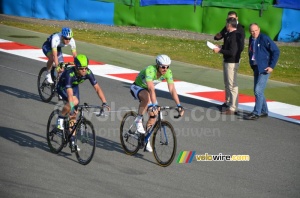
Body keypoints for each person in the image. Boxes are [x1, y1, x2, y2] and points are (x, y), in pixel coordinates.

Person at [130, 54, 184, 152]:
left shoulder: (168, 72)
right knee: (147, 98)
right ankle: (138, 119)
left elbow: (172, 89)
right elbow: (151, 88)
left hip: (149, 91)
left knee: (154, 115)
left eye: (168, 66)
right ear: (158, 65)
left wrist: (179, 105)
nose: (165, 69)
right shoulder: (150, 70)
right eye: (163, 66)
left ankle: (146, 139)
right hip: (137, 87)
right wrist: (154, 104)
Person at [56, 54, 110, 151]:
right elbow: (69, 93)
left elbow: (97, 88)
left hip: (74, 86)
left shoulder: (88, 72)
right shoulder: (70, 74)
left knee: (73, 116)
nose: (84, 70)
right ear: (76, 68)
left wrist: (104, 102)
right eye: (81, 68)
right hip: (63, 87)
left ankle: (72, 141)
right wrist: (71, 107)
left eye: (86, 68)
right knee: (74, 102)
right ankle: (60, 117)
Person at [245, 23, 280, 120]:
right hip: (256, 67)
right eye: (252, 31)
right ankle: (264, 110)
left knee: (258, 90)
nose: (254, 33)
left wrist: (271, 66)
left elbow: (276, 51)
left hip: (264, 68)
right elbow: (251, 51)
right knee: (258, 91)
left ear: (259, 29)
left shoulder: (265, 38)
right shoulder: (251, 38)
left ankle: (256, 113)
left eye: (256, 30)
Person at [214, 11, 245, 112]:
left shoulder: (236, 34)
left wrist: (220, 50)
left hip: (232, 61)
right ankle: (228, 103)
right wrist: (221, 47)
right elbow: (228, 46)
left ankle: (233, 107)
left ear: (230, 25)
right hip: (227, 60)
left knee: (232, 84)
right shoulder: (229, 33)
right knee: (227, 83)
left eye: (227, 23)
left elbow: (233, 51)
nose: (226, 25)